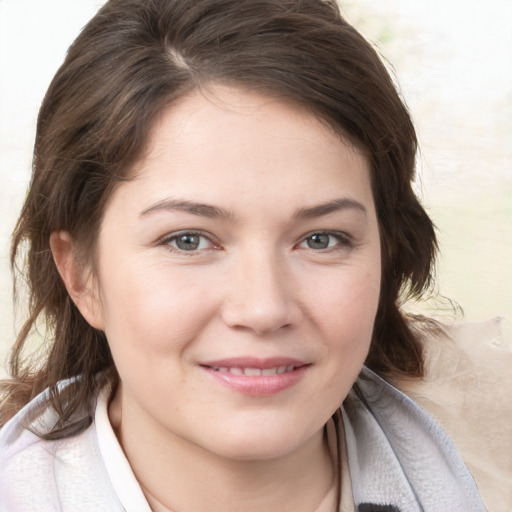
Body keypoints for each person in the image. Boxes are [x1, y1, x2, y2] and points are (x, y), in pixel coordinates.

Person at [0, 0, 488, 510]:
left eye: (321, 239)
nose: (263, 309)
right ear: (80, 275)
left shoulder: (491, 463)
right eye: (188, 240)